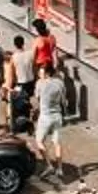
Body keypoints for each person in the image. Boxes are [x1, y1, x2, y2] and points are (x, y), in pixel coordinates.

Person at [32, 58, 72, 186]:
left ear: (46, 73)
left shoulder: (40, 83)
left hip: (45, 117)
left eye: (41, 71)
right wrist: (65, 114)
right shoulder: (60, 83)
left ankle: (49, 165)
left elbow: (37, 99)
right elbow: (64, 100)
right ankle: (60, 169)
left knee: (39, 141)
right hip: (58, 116)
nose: (39, 73)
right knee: (57, 142)